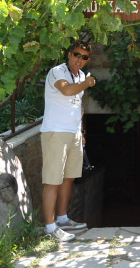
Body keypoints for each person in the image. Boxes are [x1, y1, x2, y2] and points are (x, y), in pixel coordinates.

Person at [41, 40, 97, 242]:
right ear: (70, 55)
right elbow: (66, 90)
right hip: (56, 132)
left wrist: (81, 131)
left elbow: (77, 105)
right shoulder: (57, 72)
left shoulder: (81, 76)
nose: (79, 60)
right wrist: (87, 83)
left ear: (87, 60)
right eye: (77, 55)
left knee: (69, 178)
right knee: (53, 180)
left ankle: (63, 219)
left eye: (84, 57)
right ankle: (50, 227)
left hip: (73, 134)